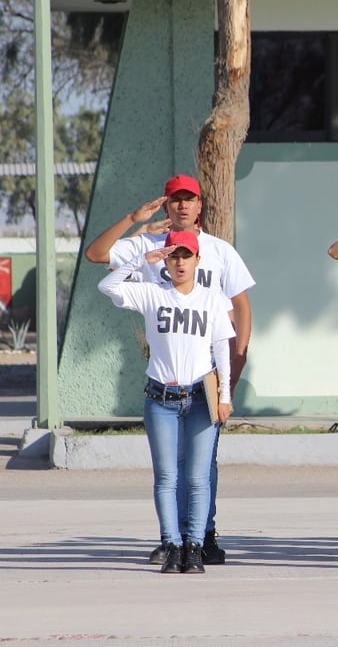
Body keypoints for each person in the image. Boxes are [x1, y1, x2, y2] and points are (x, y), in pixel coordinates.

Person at [84, 174, 255, 566]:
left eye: (189, 199)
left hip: (204, 376)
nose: (181, 206)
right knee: (169, 470)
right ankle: (173, 539)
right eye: (175, 199)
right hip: (163, 376)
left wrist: (234, 365)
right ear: (165, 205)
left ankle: (202, 535)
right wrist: (131, 219)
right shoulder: (146, 243)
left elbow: (241, 307)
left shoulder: (218, 251)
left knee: (200, 467)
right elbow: (96, 257)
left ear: (199, 206)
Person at [98, 231, 235, 574]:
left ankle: (194, 546)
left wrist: (225, 395)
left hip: (200, 398)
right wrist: (142, 260)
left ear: (197, 261)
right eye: (173, 255)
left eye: (185, 256)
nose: (179, 262)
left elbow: (222, 348)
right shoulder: (152, 293)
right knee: (166, 477)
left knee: (198, 477)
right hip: (161, 397)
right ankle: (171, 543)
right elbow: (108, 287)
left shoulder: (211, 298)